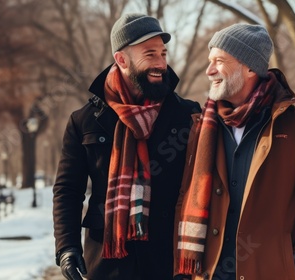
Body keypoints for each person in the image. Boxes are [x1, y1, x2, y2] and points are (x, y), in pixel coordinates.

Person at [174, 24, 295, 280]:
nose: (209, 71)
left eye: (219, 61)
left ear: (250, 67)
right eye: (209, 61)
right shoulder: (201, 128)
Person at [53, 13, 201, 280]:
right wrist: (67, 246)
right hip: (108, 261)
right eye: (150, 54)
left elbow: (200, 190)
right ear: (121, 59)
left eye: (163, 54)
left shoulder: (187, 115)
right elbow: (68, 190)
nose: (161, 64)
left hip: (170, 262)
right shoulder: (85, 121)